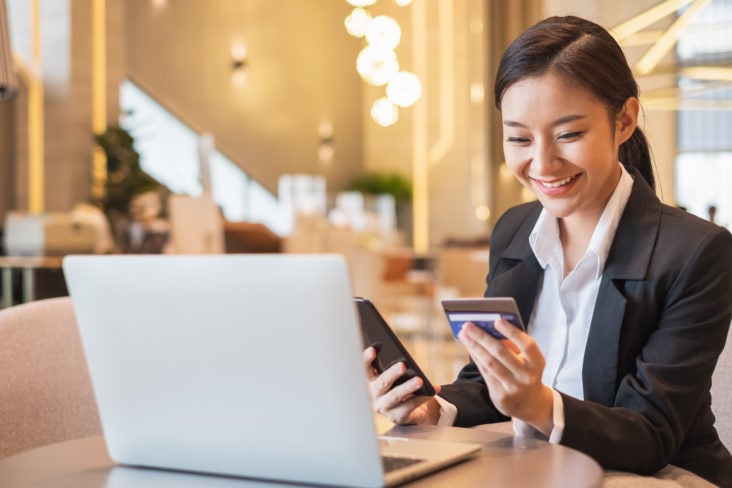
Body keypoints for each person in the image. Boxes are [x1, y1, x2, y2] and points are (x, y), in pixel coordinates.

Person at [363, 15, 732, 486]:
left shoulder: (695, 253)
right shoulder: (515, 231)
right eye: (518, 138)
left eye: (568, 134)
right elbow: (486, 380)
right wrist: (433, 408)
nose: (541, 164)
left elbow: (651, 432)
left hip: (659, 473)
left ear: (624, 120)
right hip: (535, 465)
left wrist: (538, 405)